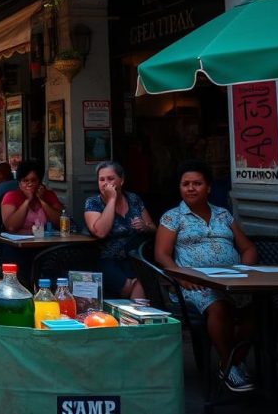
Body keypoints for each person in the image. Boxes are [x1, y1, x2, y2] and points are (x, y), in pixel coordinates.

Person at [155, 160, 257, 393]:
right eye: (186, 184)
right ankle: (231, 366)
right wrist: (181, 278)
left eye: (197, 183)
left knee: (256, 308)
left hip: (233, 282)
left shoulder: (223, 215)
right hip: (194, 285)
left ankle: (231, 362)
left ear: (208, 187)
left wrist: (244, 272)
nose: (191, 188)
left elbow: (248, 248)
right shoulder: (173, 217)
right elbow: (161, 254)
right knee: (217, 306)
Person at [83, 161, 157, 299]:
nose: (106, 183)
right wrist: (111, 200)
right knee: (136, 286)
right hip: (107, 260)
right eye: (101, 179)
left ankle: (136, 316)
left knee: (141, 281)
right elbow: (100, 231)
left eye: (110, 179)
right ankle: (137, 315)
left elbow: (154, 229)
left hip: (136, 259)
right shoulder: (93, 203)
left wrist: (145, 227)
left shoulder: (133, 199)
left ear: (121, 180)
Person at [0, 159, 61, 234]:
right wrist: (27, 200)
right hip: (19, 243)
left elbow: (60, 223)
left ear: (39, 182)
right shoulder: (11, 197)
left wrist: (42, 201)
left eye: (33, 180)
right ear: (19, 183)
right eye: (25, 181)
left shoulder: (48, 195)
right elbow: (11, 227)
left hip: (47, 241)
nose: (30, 184)